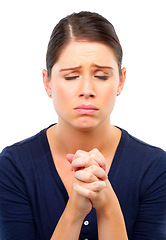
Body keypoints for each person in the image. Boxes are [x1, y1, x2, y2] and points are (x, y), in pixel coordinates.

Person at [0, 11, 166, 240]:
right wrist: (74, 211)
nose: (86, 89)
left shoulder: (155, 167)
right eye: (71, 77)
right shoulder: (14, 166)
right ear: (47, 82)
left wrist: (108, 206)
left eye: (101, 76)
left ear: (121, 80)